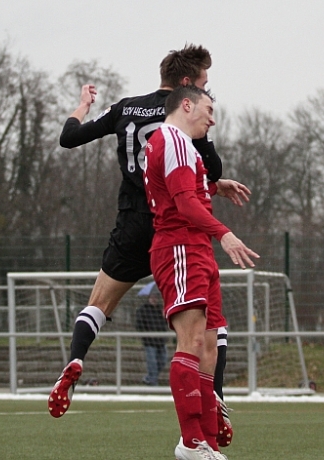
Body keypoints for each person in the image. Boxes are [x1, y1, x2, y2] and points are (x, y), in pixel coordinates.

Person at [49, 45, 249, 450]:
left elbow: (69, 138)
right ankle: (211, 403)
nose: (208, 97)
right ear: (188, 87)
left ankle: (76, 357)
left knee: (99, 304)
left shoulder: (126, 108)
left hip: (132, 224)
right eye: (204, 86)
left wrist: (83, 105)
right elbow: (205, 173)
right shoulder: (181, 123)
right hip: (175, 227)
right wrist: (216, 193)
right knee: (203, 330)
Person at [144, 84, 257, 460]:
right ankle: (191, 441)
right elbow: (183, 202)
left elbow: (183, 188)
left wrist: (213, 185)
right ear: (186, 105)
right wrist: (224, 233)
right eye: (209, 110)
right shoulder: (174, 140)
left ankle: (207, 441)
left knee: (209, 347)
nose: (213, 119)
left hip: (196, 248)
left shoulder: (178, 145)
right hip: (180, 246)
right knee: (192, 342)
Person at [135, 288, 168, 386]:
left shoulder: (161, 309)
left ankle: (148, 378)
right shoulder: (143, 309)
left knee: (163, 361)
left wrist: (165, 316)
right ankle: (153, 383)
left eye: (156, 297)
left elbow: (166, 323)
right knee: (152, 363)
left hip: (161, 341)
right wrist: (145, 335)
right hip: (149, 341)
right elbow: (139, 324)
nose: (154, 299)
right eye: (152, 297)